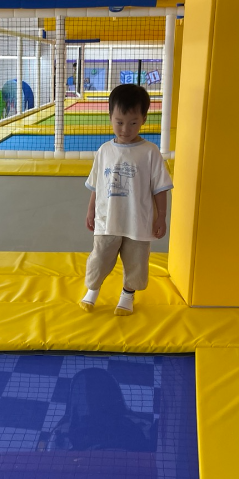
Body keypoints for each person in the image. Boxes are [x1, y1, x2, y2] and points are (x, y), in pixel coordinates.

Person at [80, 84, 172, 316]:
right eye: (119, 122)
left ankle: (127, 294)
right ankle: (93, 289)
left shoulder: (150, 152)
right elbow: (97, 185)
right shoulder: (104, 151)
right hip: (107, 219)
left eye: (133, 122)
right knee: (100, 257)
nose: (125, 129)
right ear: (110, 117)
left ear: (143, 120)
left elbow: (160, 188)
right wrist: (90, 211)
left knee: (136, 261)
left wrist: (161, 217)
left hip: (138, 222)